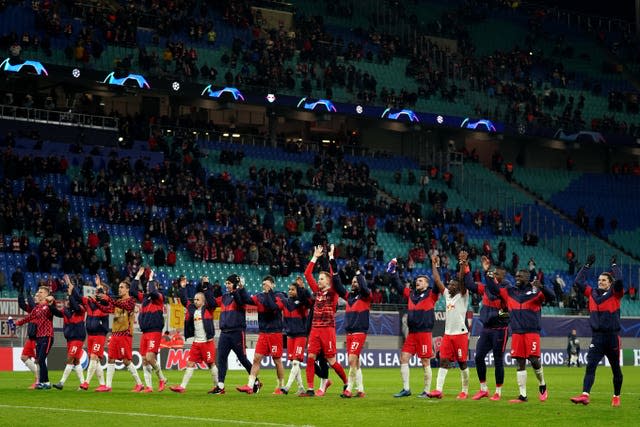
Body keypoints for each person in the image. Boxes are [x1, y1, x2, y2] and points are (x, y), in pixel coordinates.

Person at [487, 262, 554, 403]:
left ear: (527, 278)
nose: (517, 278)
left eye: (520, 276)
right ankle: (522, 395)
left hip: (532, 332)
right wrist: (488, 272)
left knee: (534, 360)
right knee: (520, 362)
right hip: (517, 332)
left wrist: (542, 286)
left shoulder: (536, 292)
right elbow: (494, 289)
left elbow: (552, 297)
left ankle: (542, 384)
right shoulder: (510, 291)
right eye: (516, 276)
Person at [570, 255, 624, 407]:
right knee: (590, 365)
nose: (600, 282)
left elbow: (619, 280)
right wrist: (586, 265)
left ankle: (616, 396)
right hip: (597, 337)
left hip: (612, 337)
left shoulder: (616, 293)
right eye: (599, 280)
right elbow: (578, 282)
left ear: (610, 283)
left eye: (604, 280)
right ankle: (585, 395)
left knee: (615, 369)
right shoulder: (592, 293)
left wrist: (614, 265)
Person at [388, 257, 441, 398]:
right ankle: (406, 389)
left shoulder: (432, 294)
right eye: (417, 280)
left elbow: (437, 281)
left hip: (424, 333)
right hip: (412, 334)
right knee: (404, 358)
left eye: (421, 280)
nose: (418, 281)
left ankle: (427, 390)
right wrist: (393, 271)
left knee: (425, 361)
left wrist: (436, 266)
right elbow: (398, 285)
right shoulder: (411, 294)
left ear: (427, 284)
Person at [301, 245, 348, 397]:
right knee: (310, 358)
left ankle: (346, 383)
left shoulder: (333, 292)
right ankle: (310, 389)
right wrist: (315, 257)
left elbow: (335, 275)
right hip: (315, 329)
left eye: (321, 279)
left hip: (328, 330)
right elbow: (307, 274)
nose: (318, 281)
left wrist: (331, 256)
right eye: (319, 279)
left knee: (332, 361)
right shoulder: (317, 291)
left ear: (328, 281)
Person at [428, 251, 470, 399]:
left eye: (453, 285)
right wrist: (434, 265)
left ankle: (464, 390)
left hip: (460, 335)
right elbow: (437, 280)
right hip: (448, 335)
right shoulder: (447, 295)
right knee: (443, 361)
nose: (449, 286)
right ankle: (438, 390)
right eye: (449, 284)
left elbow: (463, 279)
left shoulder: (463, 295)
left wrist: (462, 264)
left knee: (462, 363)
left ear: (458, 287)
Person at [467, 258, 510, 401]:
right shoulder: (485, 288)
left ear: (502, 276)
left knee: (498, 360)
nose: (493, 275)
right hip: (486, 329)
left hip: (500, 329)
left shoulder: (506, 290)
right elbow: (469, 284)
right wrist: (465, 267)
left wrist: (487, 271)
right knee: (478, 357)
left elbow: (507, 309)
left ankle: (498, 392)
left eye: (496, 274)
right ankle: (483, 389)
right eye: (493, 273)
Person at [237, 275, 286, 394]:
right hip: (263, 333)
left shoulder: (279, 296)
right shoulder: (259, 296)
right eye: (264, 284)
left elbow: (272, 307)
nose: (265, 286)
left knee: (277, 360)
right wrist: (242, 288)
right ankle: (250, 385)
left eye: (268, 283)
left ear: (273, 285)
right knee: (256, 358)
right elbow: (247, 300)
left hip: (275, 333)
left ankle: (280, 386)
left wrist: (269, 292)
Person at [170, 276, 219, 393]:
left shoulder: (208, 309)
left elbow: (212, 300)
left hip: (207, 342)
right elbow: (184, 300)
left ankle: (218, 387)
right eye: (195, 299)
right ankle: (182, 387)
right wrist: (182, 288)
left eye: (197, 299)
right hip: (196, 343)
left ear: (203, 301)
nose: (195, 301)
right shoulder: (192, 309)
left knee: (211, 363)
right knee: (190, 363)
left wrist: (206, 285)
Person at [210, 274, 256, 395]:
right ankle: (220, 385)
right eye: (226, 283)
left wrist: (237, 290)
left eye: (229, 283)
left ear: (234, 284)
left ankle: (255, 381)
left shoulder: (240, 295)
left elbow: (240, 302)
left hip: (237, 331)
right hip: (225, 333)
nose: (227, 285)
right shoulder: (224, 297)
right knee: (221, 358)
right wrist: (206, 288)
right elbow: (212, 302)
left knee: (242, 359)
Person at [331, 259, 371, 398]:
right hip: (349, 333)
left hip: (359, 332)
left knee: (352, 360)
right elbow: (337, 285)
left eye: (357, 281)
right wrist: (333, 266)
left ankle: (348, 389)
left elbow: (365, 288)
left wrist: (358, 272)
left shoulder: (366, 296)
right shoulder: (349, 297)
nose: (354, 283)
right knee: (356, 362)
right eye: (353, 281)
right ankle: (360, 390)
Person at [95, 279, 144, 392]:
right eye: (119, 287)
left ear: (127, 289)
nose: (119, 289)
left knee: (126, 360)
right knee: (111, 359)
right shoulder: (118, 302)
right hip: (115, 333)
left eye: (122, 287)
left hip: (125, 334)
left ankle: (139, 384)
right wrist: (96, 303)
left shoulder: (131, 300)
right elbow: (107, 309)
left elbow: (124, 306)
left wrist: (108, 298)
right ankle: (108, 386)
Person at [16, 286, 62, 389]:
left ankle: (45, 382)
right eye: (38, 292)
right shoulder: (36, 308)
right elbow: (29, 317)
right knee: (39, 360)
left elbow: (52, 302)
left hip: (48, 336)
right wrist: (18, 323)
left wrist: (51, 299)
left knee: (41, 360)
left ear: (46, 294)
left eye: (41, 292)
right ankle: (43, 382)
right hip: (39, 337)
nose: (39, 293)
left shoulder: (49, 305)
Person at [132, 267, 167, 392]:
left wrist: (151, 278)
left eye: (150, 285)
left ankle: (162, 379)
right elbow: (132, 291)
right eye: (147, 285)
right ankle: (149, 387)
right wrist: (137, 276)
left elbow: (152, 291)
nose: (148, 287)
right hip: (145, 332)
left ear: (156, 287)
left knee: (150, 357)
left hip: (155, 331)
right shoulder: (145, 299)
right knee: (145, 360)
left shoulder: (159, 298)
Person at [53, 275, 87, 390]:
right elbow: (56, 312)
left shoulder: (81, 309)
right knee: (76, 361)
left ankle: (61, 383)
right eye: (66, 300)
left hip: (77, 338)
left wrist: (70, 292)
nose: (67, 301)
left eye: (68, 300)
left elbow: (75, 306)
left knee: (70, 358)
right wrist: (51, 303)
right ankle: (83, 385)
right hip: (70, 339)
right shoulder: (66, 311)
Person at [79, 275, 112, 390]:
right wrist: (71, 289)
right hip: (91, 334)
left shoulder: (106, 301)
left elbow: (102, 299)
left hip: (100, 334)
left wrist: (98, 284)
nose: (97, 292)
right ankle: (103, 385)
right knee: (95, 360)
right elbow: (81, 300)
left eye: (100, 290)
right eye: (97, 290)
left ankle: (86, 382)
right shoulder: (93, 302)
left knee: (93, 357)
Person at [281, 277, 312, 395]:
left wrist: (302, 288)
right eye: (289, 289)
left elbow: (309, 299)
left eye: (293, 289)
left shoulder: (303, 303)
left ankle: (287, 387)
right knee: (294, 363)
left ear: (297, 291)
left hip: (300, 335)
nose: (290, 291)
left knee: (295, 362)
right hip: (290, 336)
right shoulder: (286, 302)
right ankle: (301, 388)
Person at [17, 287, 39, 388]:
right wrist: (20, 293)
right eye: (35, 296)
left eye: (37, 296)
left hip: (38, 339)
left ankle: (38, 381)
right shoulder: (33, 308)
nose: (36, 298)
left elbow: (33, 305)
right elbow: (22, 305)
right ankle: (38, 378)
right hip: (30, 338)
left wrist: (29, 295)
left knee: (37, 360)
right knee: (24, 357)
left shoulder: (40, 308)